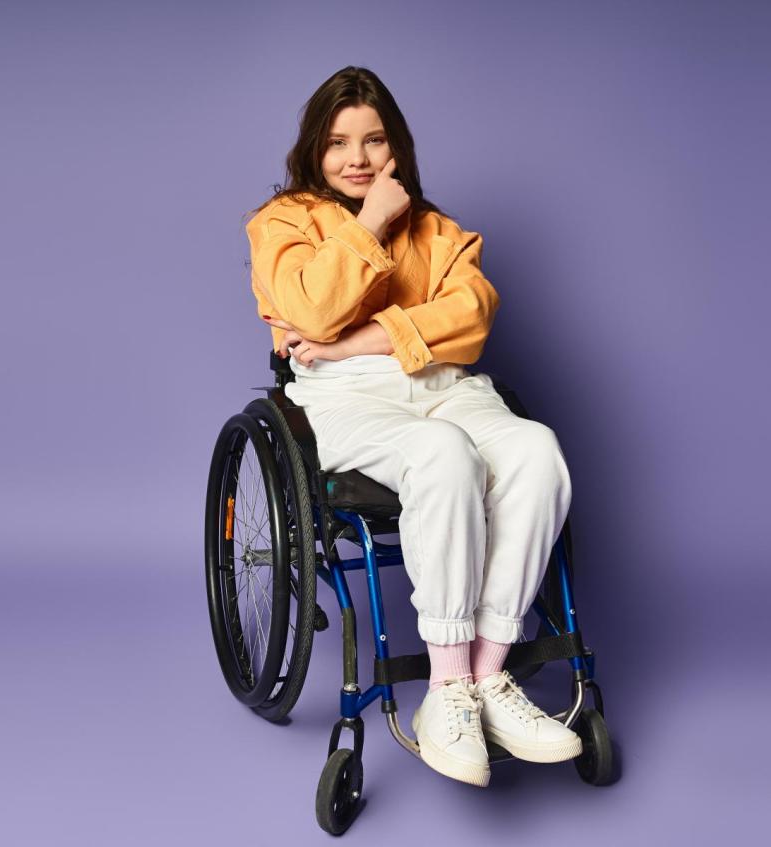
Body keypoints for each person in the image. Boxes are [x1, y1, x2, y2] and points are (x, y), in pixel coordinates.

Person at [242, 66, 581, 788]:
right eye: (337, 143)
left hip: (442, 384)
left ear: (397, 144)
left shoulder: (437, 229)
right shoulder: (284, 223)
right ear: (313, 148)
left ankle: (486, 677)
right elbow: (309, 307)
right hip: (343, 397)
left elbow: (472, 319)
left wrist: (354, 337)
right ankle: (445, 686)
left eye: (372, 140)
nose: (356, 159)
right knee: (442, 453)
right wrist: (367, 228)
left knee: (536, 451)